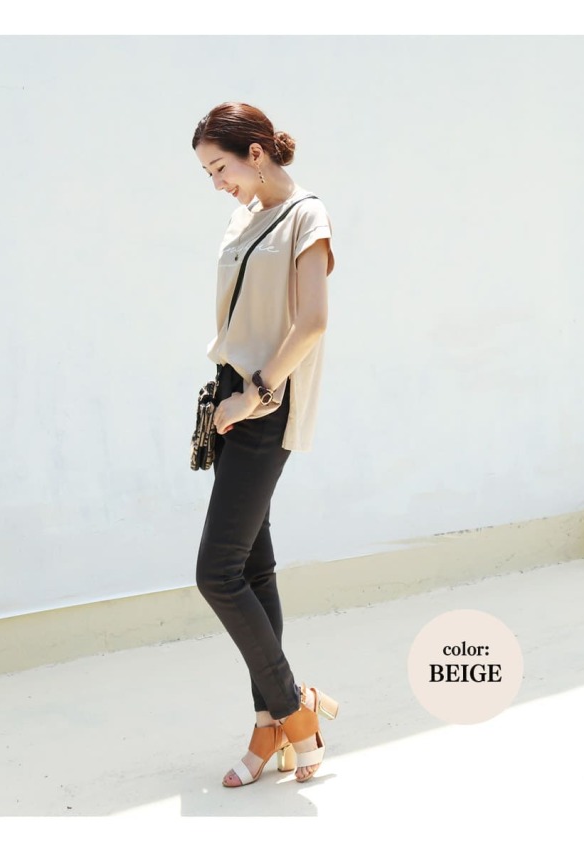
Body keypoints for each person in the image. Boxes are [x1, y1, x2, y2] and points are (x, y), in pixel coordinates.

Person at [192, 102, 338, 787]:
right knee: (252, 572)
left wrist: (254, 393)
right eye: (207, 173)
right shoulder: (243, 218)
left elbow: (312, 321)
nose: (217, 182)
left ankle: (295, 708)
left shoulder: (307, 215)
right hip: (230, 398)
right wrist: (231, 396)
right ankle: (269, 726)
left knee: (216, 573)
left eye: (219, 166)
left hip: (264, 401)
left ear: (256, 151)